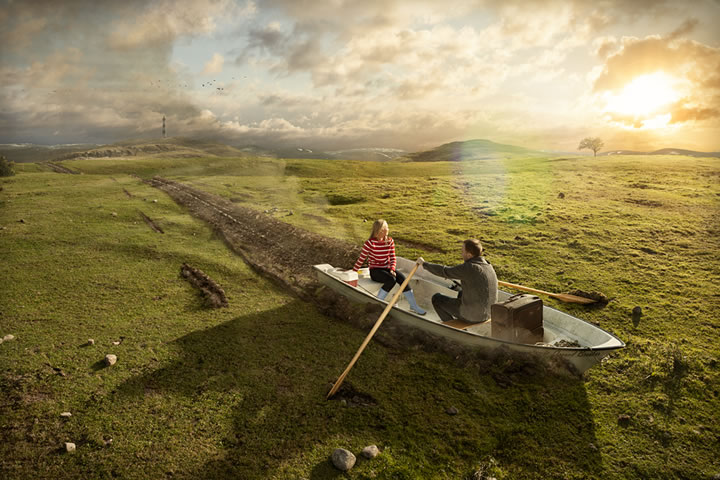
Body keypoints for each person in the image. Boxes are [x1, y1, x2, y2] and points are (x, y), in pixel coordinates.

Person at [352, 219, 426, 315]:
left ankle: (413, 306)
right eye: (387, 227)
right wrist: (353, 272)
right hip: (375, 271)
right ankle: (377, 303)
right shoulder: (370, 243)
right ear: (381, 230)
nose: (388, 229)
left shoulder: (390, 241)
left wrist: (392, 268)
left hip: (387, 268)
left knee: (403, 279)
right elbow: (361, 259)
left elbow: (392, 257)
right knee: (391, 280)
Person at [419, 239, 497, 324]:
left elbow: (444, 271)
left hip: (475, 316)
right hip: (489, 313)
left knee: (437, 299)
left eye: (462, 251)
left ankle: (451, 326)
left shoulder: (470, 267)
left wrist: (424, 264)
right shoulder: (488, 265)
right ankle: (461, 317)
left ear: (469, 255)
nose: (461, 254)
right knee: (461, 292)